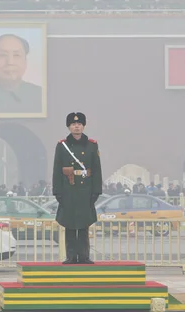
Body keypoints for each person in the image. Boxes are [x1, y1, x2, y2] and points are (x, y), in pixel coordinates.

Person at [52, 112, 103, 264]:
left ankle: (84, 256)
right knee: (69, 224)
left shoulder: (92, 145)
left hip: (85, 190)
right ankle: (71, 256)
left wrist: (96, 191)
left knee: (83, 224)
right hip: (69, 189)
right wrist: (58, 191)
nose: (76, 126)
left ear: (83, 126)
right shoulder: (62, 146)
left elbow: (96, 169)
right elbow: (57, 170)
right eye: (73, 124)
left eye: (79, 124)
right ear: (69, 127)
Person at [0, 33, 43, 114]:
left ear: (25, 62)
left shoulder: (40, 95)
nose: (10, 62)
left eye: (16, 55)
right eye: (2, 55)